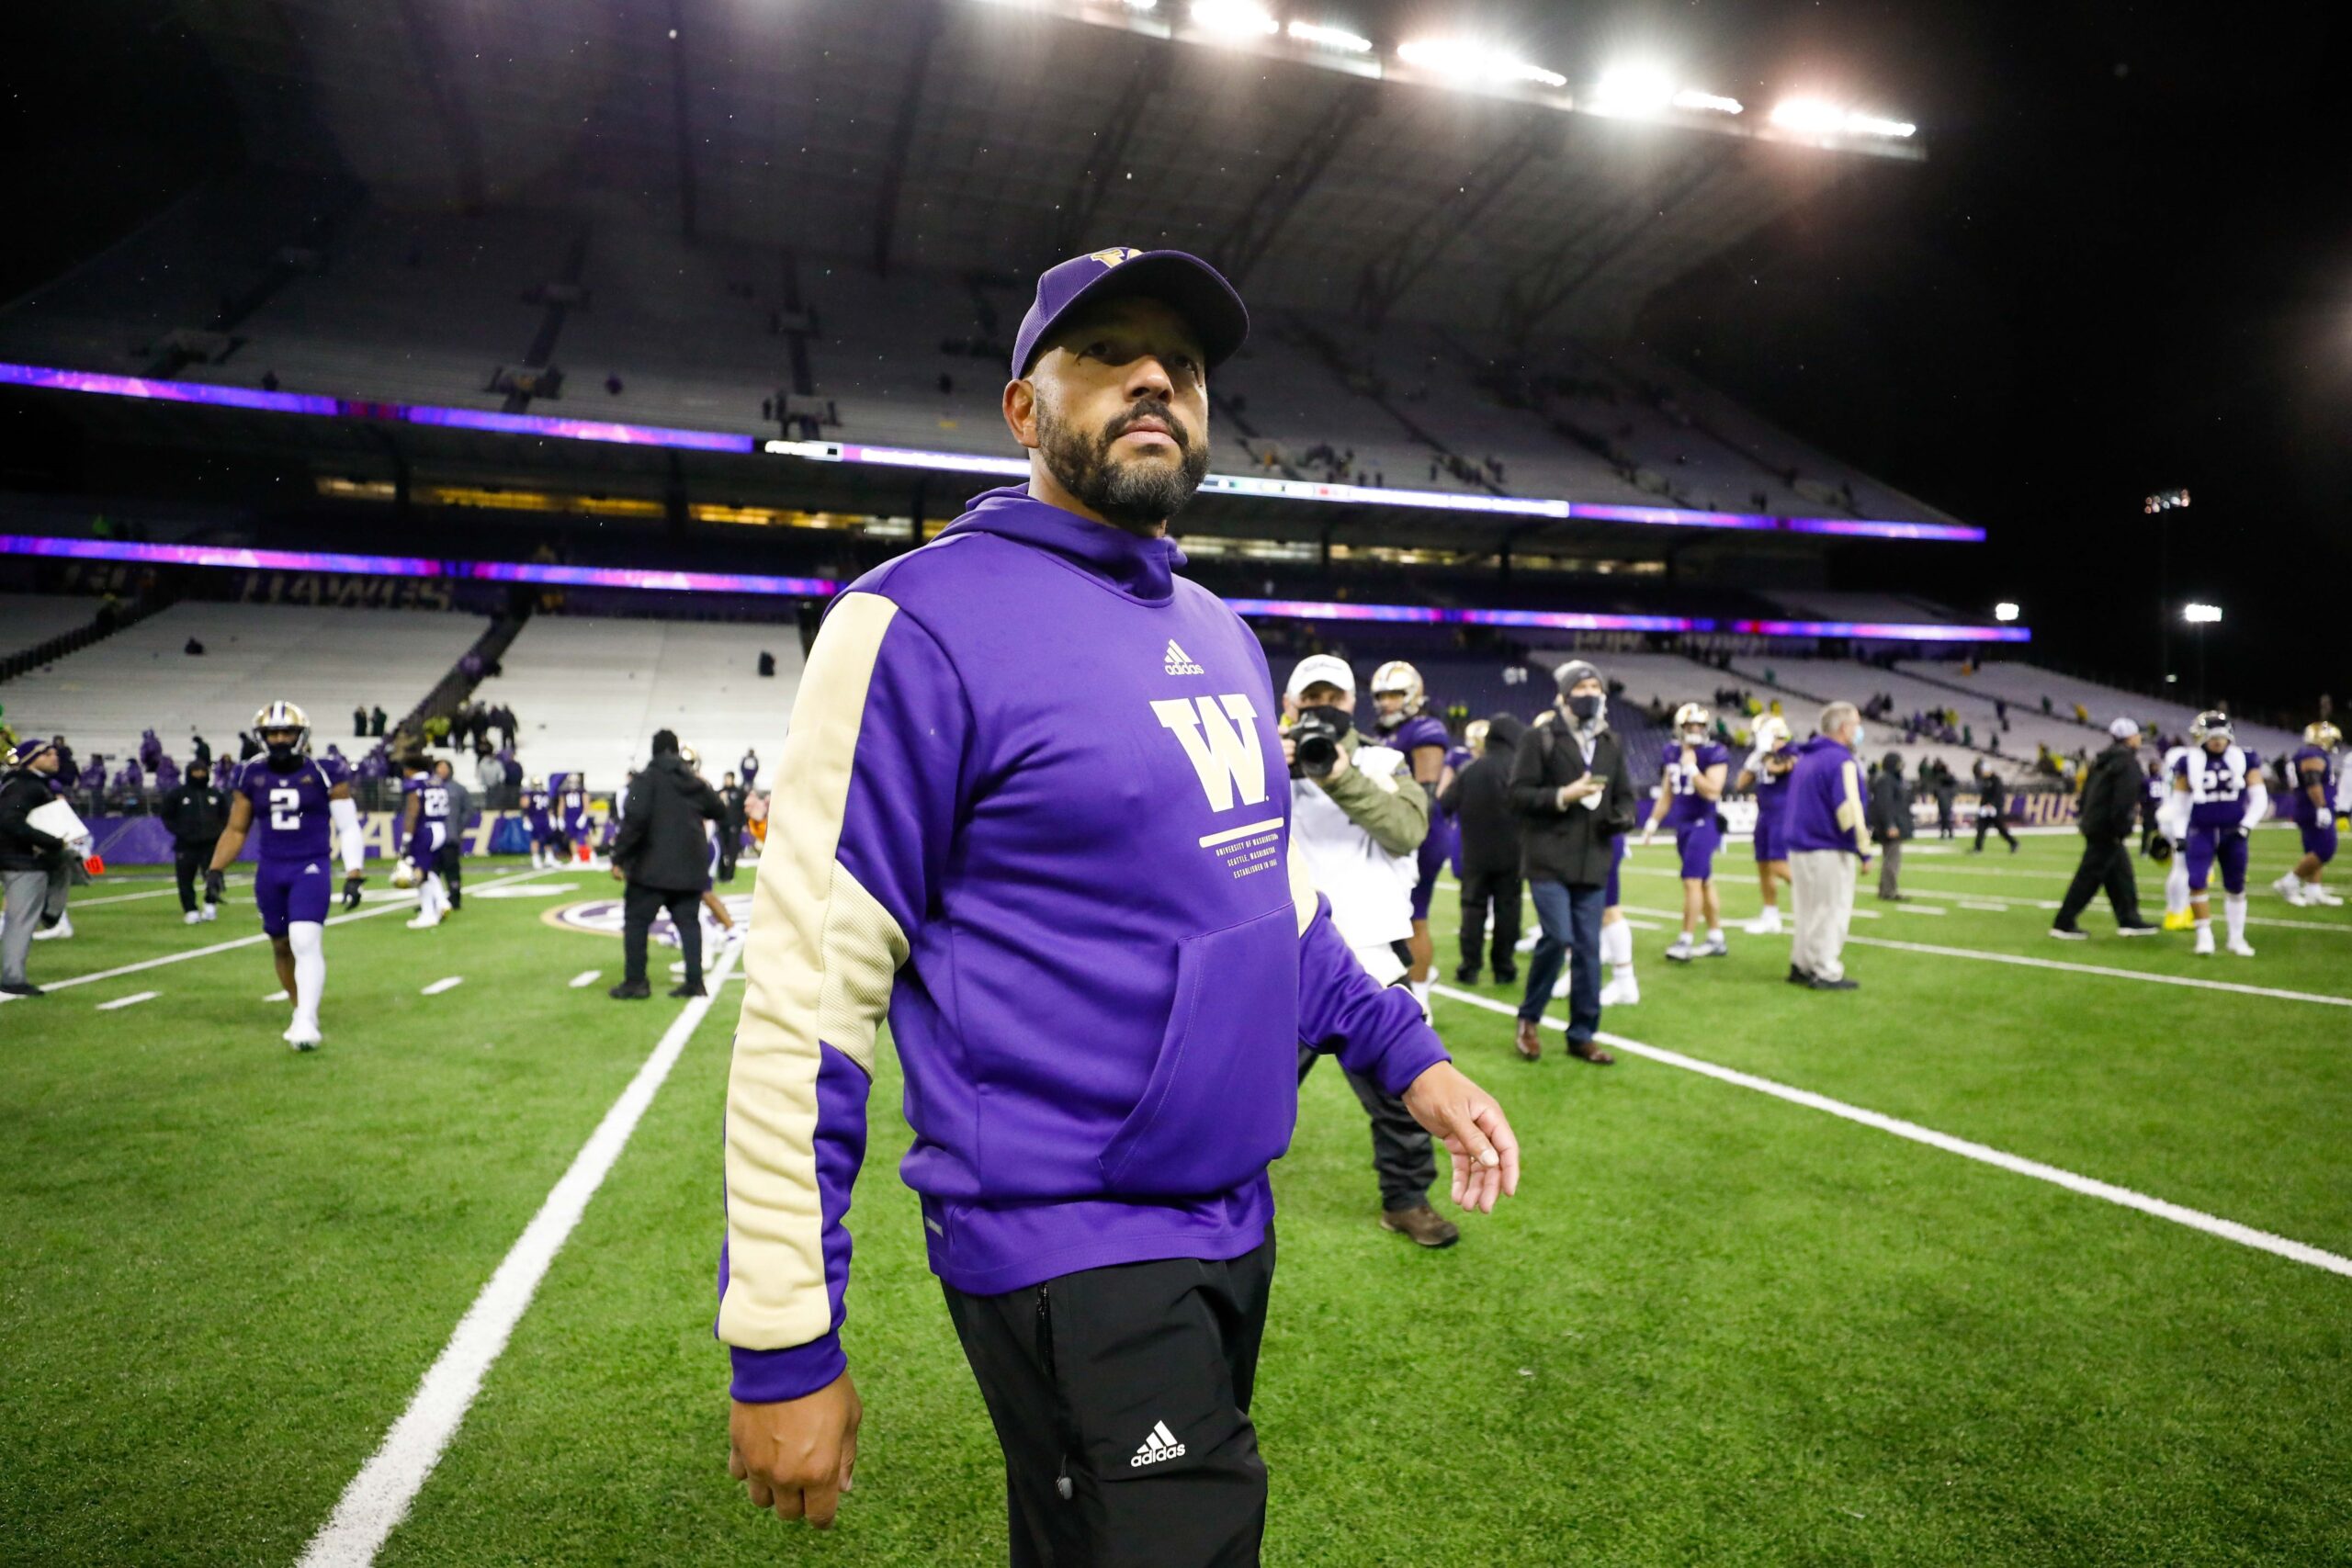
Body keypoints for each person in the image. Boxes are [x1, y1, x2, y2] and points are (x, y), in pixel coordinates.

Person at [718, 248, 1518, 1561]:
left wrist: (1408, 1056)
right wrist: (782, 1335)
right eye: (1106, 353)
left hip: (1231, 1207)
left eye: (1183, 365)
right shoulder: (914, 621)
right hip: (1065, 1235)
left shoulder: (1218, 630)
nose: (1155, 378)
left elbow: (1280, 911)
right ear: (1023, 408)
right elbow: (809, 990)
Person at [1282, 653, 1454, 1249]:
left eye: (1333, 697)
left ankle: (1406, 1200)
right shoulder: (1261, 758)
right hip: (1292, 954)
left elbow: (1408, 830)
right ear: (1290, 705)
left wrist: (1337, 774)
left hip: (1372, 956)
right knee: (1247, 1090)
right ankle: (1213, 1193)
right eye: (1311, 698)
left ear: (1351, 703)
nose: (1322, 707)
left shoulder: (1383, 761)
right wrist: (1272, 761)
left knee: (1402, 1093)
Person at [205, 702, 366, 1048]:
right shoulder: (250, 774)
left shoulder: (324, 771)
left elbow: (348, 826)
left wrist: (354, 872)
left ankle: (306, 1018)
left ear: (301, 734)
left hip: (310, 866)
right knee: (280, 944)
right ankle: (300, 1009)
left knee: (304, 940)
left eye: (286, 732)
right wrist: (216, 868)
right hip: (271, 869)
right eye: (272, 733)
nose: (279, 738)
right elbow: (236, 828)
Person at [1510, 659, 1638, 1062]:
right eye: (1581, 689)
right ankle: (1529, 1018)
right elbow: (1518, 794)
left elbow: (1625, 795)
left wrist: (1623, 817)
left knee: (1588, 948)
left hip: (1593, 859)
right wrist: (1563, 796)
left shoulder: (1610, 741)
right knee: (1558, 937)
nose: (1589, 695)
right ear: (1564, 695)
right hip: (1548, 858)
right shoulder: (1540, 737)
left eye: (1595, 688)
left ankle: (1583, 1033)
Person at [609, 729, 724, 998]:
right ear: (675, 750)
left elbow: (633, 819)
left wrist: (619, 857)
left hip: (649, 869)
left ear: (654, 750)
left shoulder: (643, 781)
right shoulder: (693, 781)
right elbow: (718, 809)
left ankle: (636, 982)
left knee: (636, 922)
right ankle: (694, 982)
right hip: (689, 868)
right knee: (689, 924)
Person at [1369, 660, 1452, 1013]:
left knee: (1413, 919)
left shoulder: (1425, 730)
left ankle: (1422, 1001)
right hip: (1394, 833)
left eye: (1395, 694)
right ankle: (1411, 984)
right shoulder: (1386, 734)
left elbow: (1424, 799)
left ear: (1413, 694)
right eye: (1382, 696)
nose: (1387, 702)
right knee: (1392, 920)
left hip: (1420, 836)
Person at [2164, 710, 2267, 957]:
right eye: (2212, 736)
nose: (2218, 741)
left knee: (2236, 885)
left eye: (2222, 736)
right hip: (2201, 830)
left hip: (2233, 831)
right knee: (2197, 881)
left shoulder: (2245, 758)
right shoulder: (2188, 761)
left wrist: (2247, 825)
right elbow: (2180, 804)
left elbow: (2260, 798)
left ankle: (2236, 938)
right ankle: (2204, 935)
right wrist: (2179, 834)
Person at [1785, 703, 1871, 991]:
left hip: (1800, 845)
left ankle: (1801, 963)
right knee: (1831, 909)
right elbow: (1849, 809)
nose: (1858, 730)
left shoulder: (1806, 758)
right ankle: (1824, 969)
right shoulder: (1841, 761)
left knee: (1806, 909)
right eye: (1856, 724)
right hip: (1828, 846)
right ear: (1844, 728)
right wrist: (1863, 848)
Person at [2052, 718, 2160, 939]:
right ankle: (2063, 922)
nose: (2140, 738)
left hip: (2096, 822)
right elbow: (2124, 798)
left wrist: (2086, 817)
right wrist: (2122, 827)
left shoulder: (2103, 759)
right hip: (2107, 827)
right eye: (2137, 735)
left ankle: (2129, 919)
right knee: (2089, 876)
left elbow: (2086, 792)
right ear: (2130, 738)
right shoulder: (2127, 762)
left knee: (2120, 874)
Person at [1639, 702, 1729, 960]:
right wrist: (1652, 823)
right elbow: (1667, 792)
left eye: (1699, 725)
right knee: (1704, 882)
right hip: (1684, 824)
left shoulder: (1714, 752)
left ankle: (1685, 941)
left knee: (1691, 881)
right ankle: (1716, 938)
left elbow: (1713, 791)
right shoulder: (1671, 751)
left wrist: (1692, 768)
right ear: (1680, 727)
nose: (1695, 730)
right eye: (1690, 725)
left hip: (1705, 822)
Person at [1441, 714, 1523, 987]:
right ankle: (1504, 968)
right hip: (1512, 855)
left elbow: (1445, 804)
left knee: (1472, 910)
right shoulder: (1519, 770)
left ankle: (1469, 967)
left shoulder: (1470, 770)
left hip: (1475, 853)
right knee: (1508, 911)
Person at [1, 738, 71, 997]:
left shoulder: (29, 784)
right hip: (22, 861)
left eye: (54, 752)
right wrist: (50, 841)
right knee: (20, 921)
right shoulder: (24, 786)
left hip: (23, 859)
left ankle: (51, 912)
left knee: (68, 863)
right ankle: (12, 978)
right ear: (30, 759)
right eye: (46, 753)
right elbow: (11, 820)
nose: (54, 757)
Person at [2271, 721, 2343, 907]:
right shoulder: (2312, 754)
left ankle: (2313, 891)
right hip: (2313, 808)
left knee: (2313, 851)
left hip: (2307, 807)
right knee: (2325, 850)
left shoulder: (2307, 753)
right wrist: (2321, 807)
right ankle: (2289, 881)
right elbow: (2313, 782)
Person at [1736, 715, 1797, 933]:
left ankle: (1815, 897)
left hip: (1783, 814)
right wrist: (1754, 760)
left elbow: (1777, 768)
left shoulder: (1791, 752)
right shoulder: (1760, 755)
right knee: (1763, 866)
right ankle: (1770, 915)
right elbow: (1740, 784)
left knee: (1778, 865)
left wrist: (1765, 754)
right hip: (1764, 815)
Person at [160, 757, 232, 924]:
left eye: (202, 771)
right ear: (189, 773)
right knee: (185, 879)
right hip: (186, 845)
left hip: (211, 844)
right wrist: (181, 831)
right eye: (196, 771)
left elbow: (226, 816)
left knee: (214, 875)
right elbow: (167, 816)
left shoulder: (215, 794)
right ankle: (190, 910)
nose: (199, 774)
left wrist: (217, 832)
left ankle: (210, 904)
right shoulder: (177, 794)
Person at [397, 758, 456, 929]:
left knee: (419, 874)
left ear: (411, 769)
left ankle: (427, 914)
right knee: (427, 869)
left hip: (425, 831)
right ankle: (442, 902)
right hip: (440, 828)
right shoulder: (437, 781)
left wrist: (406, 838)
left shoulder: (415, 784)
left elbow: (412, 811)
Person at [1868, 751, 1913, 900]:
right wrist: (1890, 825)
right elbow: (1884, 804)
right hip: (1890, 826)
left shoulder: (1888, 779)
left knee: (1891, 859)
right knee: (1892, 860)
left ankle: (1886, 889)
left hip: (1892, 824)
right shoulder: (1886, 780)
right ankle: (1888, 891)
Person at [431, 758, 471, 911]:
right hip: (432, 837)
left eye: (444, 767)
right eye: (439, 767)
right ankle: (431, 901)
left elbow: (468, 810)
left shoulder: (458, 789)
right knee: (431, 870)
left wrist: (458, 827)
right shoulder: (429, 787)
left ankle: (454, 898)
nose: (442, 770)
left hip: (450, 836)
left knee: (452, 868)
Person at [1972, 761, 2019, 853]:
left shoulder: (1996, 780)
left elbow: (1998, 794)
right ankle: (1978, 847)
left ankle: (2014, 843)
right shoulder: (1985, 780)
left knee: (2000, 828)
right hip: (1986, 808)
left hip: (1994, 809)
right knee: (1981, 827)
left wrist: (1992, 804)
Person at [718, 770, 749, 882]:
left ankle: (729, 876)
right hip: (721, 826)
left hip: (734, 827)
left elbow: (743, 810)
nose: (727, 780)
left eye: (728, 778)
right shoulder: (720, 793)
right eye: (725, 778)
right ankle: (722, 875)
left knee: (732, 852)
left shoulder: (739, 793)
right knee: (721, 851)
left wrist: (744, 824)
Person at [523, 778, 560, 869]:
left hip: (545, 819)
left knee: (548, 839)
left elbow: (548, 806)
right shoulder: (529, 794)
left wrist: (551, 817)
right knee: (535, 839)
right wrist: (526, 818)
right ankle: (535, 859)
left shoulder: (545, 793)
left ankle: (549, 858)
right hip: (535, 819)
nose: (538, 787)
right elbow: (525, 806)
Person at [559, 773, 592, 863]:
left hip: (579, 815)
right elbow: (562, 805)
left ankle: (592, 855)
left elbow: (586, 803)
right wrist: (560, 818)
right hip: (569, 817)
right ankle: (575, 857)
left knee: (586, 836)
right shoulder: (564, 792)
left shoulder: (582, 791)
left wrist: (584, 816)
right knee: (572, 838)